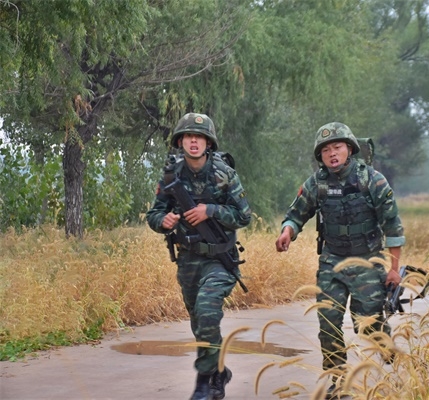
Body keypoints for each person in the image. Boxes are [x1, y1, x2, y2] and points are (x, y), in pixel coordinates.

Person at [275, 122, 405, 398]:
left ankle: (386, 345)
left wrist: (394, 270)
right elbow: (296, 214)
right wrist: (287, 231)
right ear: (320, 156)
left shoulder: (373, 181)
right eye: (326, 150)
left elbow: (393, 227)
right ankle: (338, 382)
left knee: (367, 325)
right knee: (328, 323)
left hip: (367, 261)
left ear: (350, 149)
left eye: (337, 147)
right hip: (331, 263)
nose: (332, 153)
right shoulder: (317, 183)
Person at [146, 113, 251, 400]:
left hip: (220, 258)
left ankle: (203, 383)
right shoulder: (171, 175)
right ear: (180, 141)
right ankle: (218, 371)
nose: (194, 141)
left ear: (209, 143)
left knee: (207, 312)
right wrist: (163, 221)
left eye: (200, 137)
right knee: (199, 322)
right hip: (189, 260)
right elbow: (154, 214)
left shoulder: (223, 174)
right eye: (189, 136)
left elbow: (244, 216)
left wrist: (211, 211)